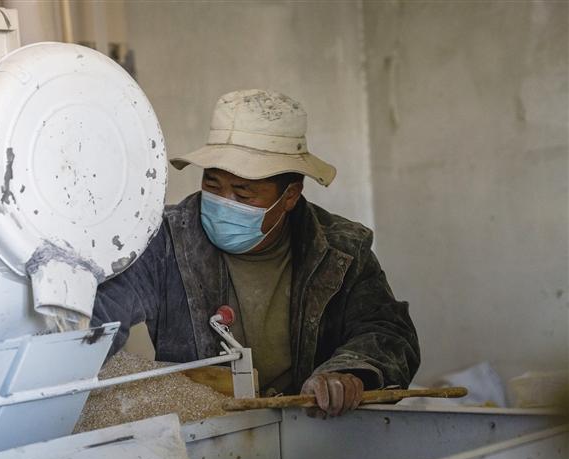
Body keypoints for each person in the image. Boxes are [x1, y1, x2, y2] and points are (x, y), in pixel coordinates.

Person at [92, 89, 420, 417]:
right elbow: (101, 314)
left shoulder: (341, 251)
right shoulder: (166, 242)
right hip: (208, 431)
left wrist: (348, 373)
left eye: (243, 194)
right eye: (213, 185)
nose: (224, 202)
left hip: (312, 429)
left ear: (290, 196)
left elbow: (388, 332)